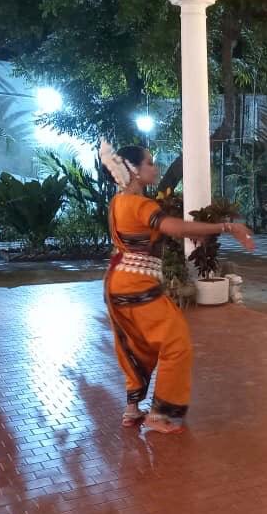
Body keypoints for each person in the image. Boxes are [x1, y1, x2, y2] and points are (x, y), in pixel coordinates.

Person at [100, 140, 254, 434]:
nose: (155, 168)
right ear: (133, 170)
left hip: (120, 283)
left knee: (138, 346)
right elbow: (174, 227)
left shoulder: (118, 202)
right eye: (150, 163)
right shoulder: (140, 204)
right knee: (176, 343)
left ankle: (132, 408)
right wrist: (226, 227)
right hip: (137, 286)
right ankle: (161, 416)